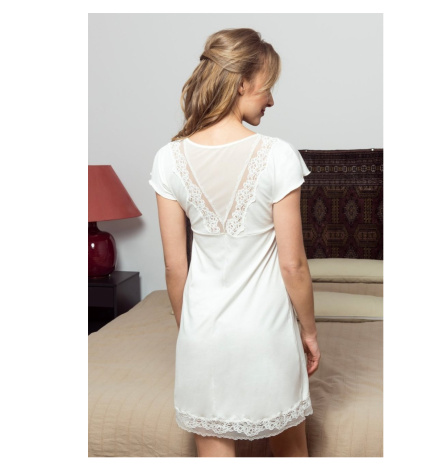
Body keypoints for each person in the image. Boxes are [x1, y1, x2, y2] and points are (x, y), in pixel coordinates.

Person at [149, 28, 320, 457]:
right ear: (242, 83)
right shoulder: (278, 155)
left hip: (203, 334)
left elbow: (175, 268)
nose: (271, 100)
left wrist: (189, 332)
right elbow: (294, 266)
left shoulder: (168, 159)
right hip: (268, 333)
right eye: (268, 87)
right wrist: (310, 331)